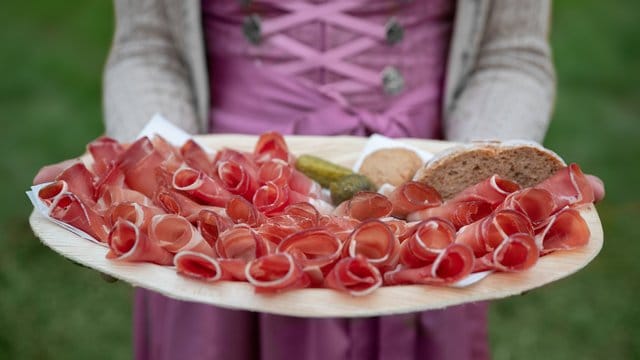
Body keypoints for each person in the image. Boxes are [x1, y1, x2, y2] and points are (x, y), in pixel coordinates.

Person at [102, 1, 556, 359]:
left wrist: (484, 172)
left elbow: (508, 53)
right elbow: (150, 47)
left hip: (419, 202)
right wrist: (154, 171)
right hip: (224, 196)